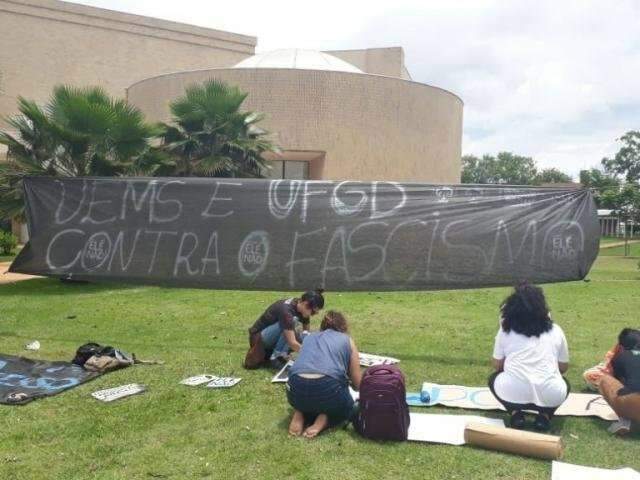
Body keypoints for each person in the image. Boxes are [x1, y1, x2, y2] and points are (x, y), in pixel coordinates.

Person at [488, 283, 570, 432]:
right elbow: (563, 367)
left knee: (493, 379)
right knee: (564, 384)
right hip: (550, 393)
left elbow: (497, 365)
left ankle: (515, 414)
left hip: (513, 391)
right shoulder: (556, 330)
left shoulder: (505, 331)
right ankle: (544, 417)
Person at [286, 310, 362, 438]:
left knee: (310, 397)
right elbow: (357, 383)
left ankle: (299, 411)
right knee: (348, 404)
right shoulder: (347, 340)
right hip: (327, 388)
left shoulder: (309, 337)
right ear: (343, 327)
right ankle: (324, 419)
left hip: (294, 388)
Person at [243, 289, 325, 369]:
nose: (314, 315)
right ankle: (276, 358)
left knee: (301, 335)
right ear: (305, 304)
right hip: (258, 339)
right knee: (291, 324)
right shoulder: (287, 312)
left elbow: (306, 332)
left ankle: (280, 354)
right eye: (313, 312)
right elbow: (292, 343)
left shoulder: (300, 307)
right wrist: (312, 355)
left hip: (271, 337)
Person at [598, 328, 640, 435]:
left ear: (620, 347)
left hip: (634, 402)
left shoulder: (621, 356)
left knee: (605, 380)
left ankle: (626, 420)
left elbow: (619, 383)